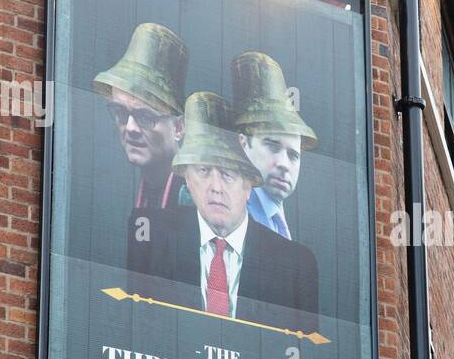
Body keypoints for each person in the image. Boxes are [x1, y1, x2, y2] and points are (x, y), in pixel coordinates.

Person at [127, 91, 319, 334]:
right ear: (186, 175)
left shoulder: (295, 265)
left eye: (228, 174)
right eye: (204, 171)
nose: (216, 188)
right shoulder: (150, 236)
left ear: (249, 184)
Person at [93, 22, 190, 209]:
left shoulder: (195, 201)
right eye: (121, 113)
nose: (130, 128)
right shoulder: (134, 192)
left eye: (145, 118)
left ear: (179, 127)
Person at [230, 52, 319, 240]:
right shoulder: (229, 212)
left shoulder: (281, 220)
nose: (284, 164)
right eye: (272, 146)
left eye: (293, 155)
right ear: (244, 144)